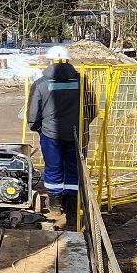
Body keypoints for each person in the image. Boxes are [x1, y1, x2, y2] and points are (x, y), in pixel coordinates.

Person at [27, 45, 84, 225]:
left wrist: (37, 127)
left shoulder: (41, 83)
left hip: (51, 134)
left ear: (50, 61)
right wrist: (80, 124)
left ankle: (55, 205)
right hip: (76, 133)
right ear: (68, 60)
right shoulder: (81, 81)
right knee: (73, 169)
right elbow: (92, 108)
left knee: (53, 168)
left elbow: (33, 113)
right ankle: (73, 208)